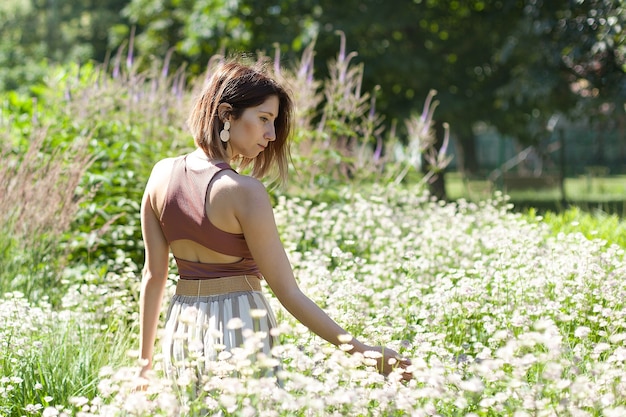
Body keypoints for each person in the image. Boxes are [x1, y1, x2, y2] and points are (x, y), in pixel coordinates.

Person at [138, 59, 411, 385]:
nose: (270, 135)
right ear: (227, 114)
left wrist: (143, 366)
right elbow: (289, 293)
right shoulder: (244, 192)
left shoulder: (160, 175)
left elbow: (154, 277)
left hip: (180, 331)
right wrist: (364, 353)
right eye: (264, 119)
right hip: (239, 331)